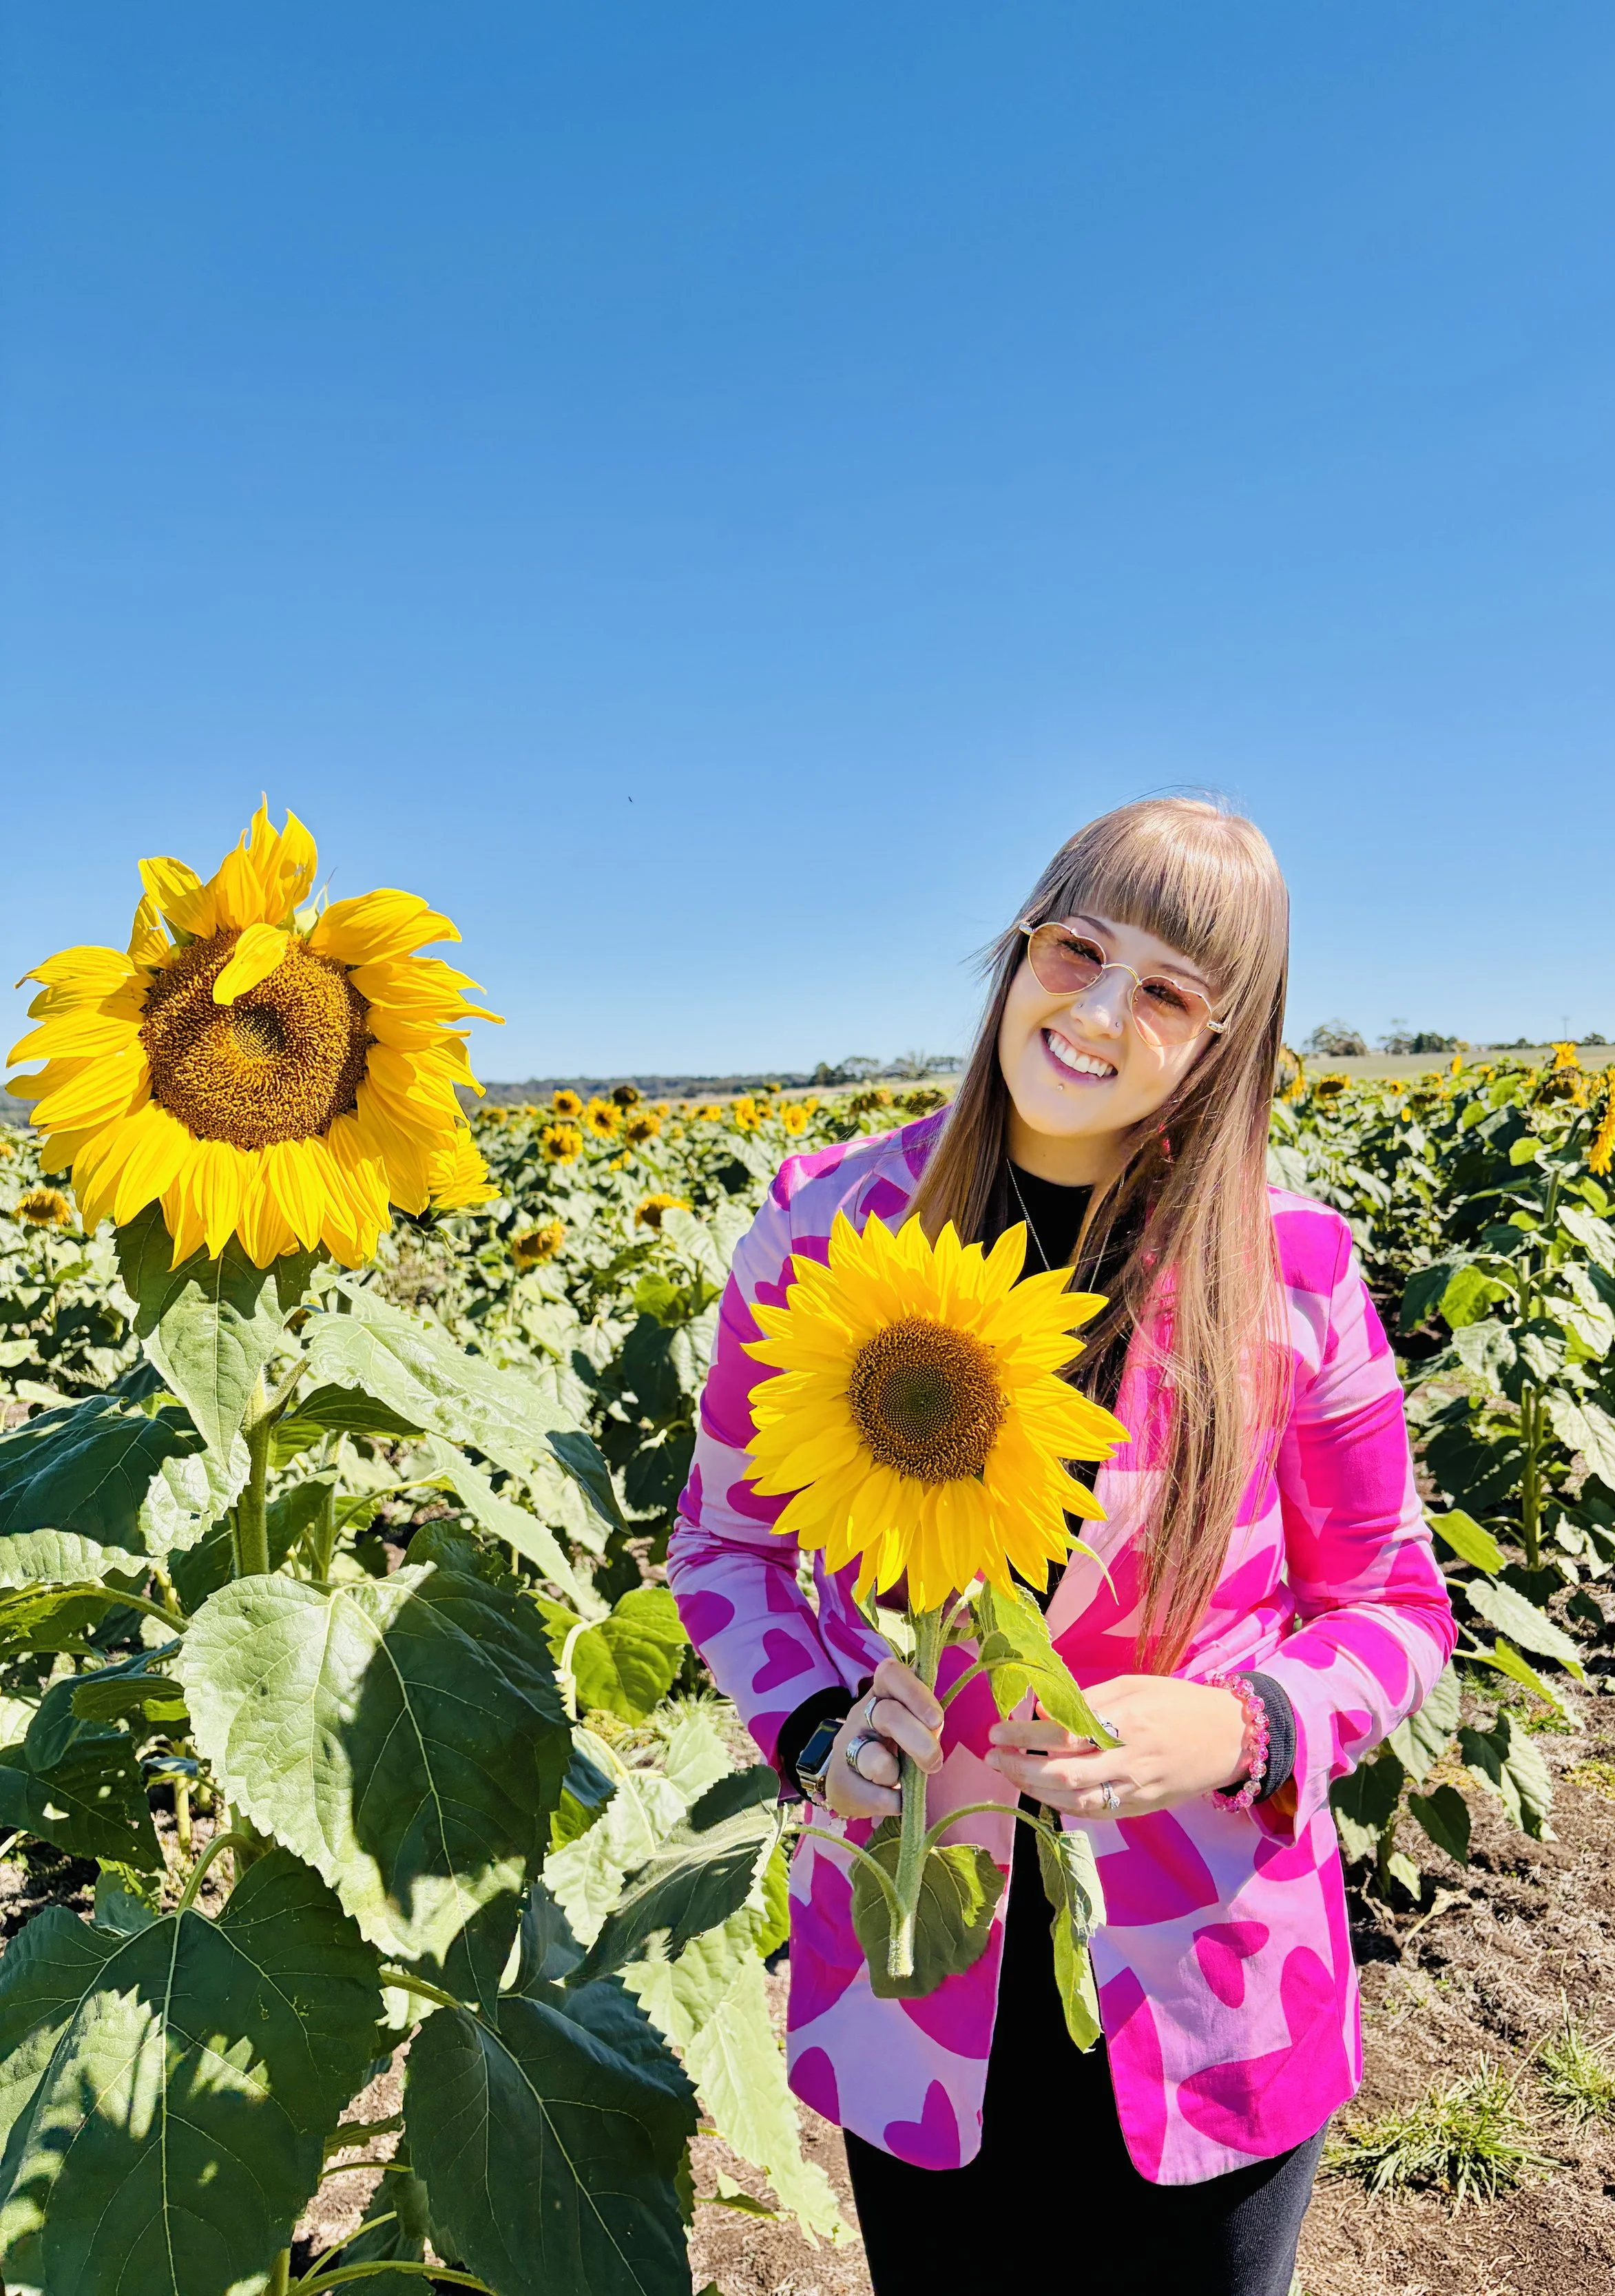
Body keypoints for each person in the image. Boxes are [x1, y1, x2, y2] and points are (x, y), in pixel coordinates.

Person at [665, 796, 1455, 2296]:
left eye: (1163, 989)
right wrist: (816, 1722)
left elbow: (1393, 1605)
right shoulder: (821, 1234)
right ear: (1017, 952)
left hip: (1208, 1960)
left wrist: (1244, 1720)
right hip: (910, 1930)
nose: (1094, 1010)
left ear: (1223, 1036)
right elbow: (724, 1543)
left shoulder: (1293, 1277)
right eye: (1074, 948)